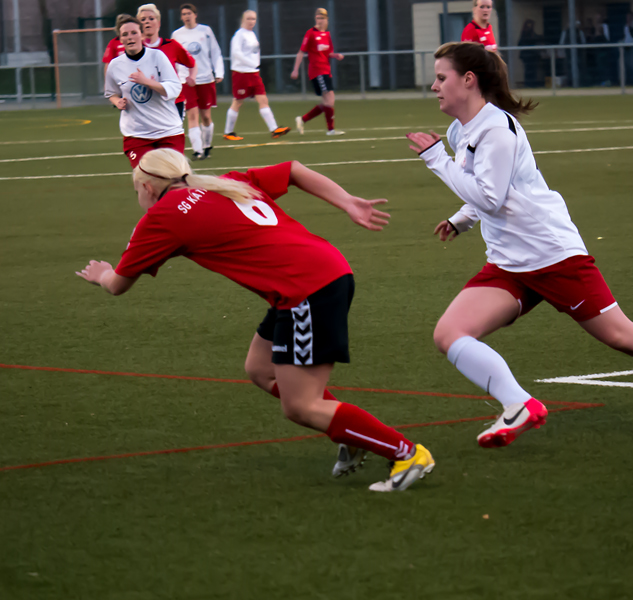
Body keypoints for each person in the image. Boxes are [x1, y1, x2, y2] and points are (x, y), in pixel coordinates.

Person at [406, 42, 633, 448]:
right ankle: (519, 404)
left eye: (441, 77)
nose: (434, 86)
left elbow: (492, 196)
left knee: (621, 335)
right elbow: (498, 190)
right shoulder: (460, 129)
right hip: (510, 262)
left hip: (552, 254)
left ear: (468, 80)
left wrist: (436, 160)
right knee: (450, 333)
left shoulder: (496, 129)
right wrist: (461, 219)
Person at [74, 148, 436, 492]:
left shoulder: (162, 217)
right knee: (261, 368)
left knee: (300, 406)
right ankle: (350, 434)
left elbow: (118, 284)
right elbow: (292, 169)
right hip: (316, 274)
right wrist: (346, 201)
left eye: (137, 188)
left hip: (306, 288)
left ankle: (406, 453)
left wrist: (101, 274)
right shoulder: (223, 181)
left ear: (148, 187)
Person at [104, 15, 184, 168]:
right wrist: (117, 101)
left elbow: (175, 88)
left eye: (134, 32)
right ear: (120, 40)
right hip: (136, 134)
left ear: (141, 35)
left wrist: (147, 82)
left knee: (173, 180)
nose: (130, 37)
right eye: (125, 34)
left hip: (168, 130)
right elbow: (110, 93)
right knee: (146, 182)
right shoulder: (115, 65)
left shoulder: (157, 56)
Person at [223, 10, 290, 141]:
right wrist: (250, 63)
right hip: (241, 73)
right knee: (237, 102)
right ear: (243, 19)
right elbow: (236, 53)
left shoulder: (252, 34)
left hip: (254, 73)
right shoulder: (239, 35)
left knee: (263, 100)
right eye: (249, 19)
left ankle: (274, 129)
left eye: (253, 19)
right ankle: (228, 132)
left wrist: (255, 65)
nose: (251, 21)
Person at [172, 3, 224, 160]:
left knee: (206, 117)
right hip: (186, 81)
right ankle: (198, 150)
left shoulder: (206, 31)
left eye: (189, 13)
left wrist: (219, 72)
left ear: (195, 15)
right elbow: (173, 58)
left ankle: (207, 145)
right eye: (184, 14)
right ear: (181, 17)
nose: (187, 16)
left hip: (205, 79)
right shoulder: (177, 35)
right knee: (192, 115)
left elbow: (215, 52)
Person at [137, 4, 197, 120]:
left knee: (173, 137)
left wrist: (192, 76)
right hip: (147, 104)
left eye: (151, 18)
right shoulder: (136, 50)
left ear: (158, 23)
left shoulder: (172, 45)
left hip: (173, 102)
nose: (147, 22)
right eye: (143, 19)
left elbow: (192, 63)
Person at [291, 8, 345, 136]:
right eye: (318, 18)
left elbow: (328, 53)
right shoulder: (310, 33)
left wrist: (336, 55)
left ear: (327, 19)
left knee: (328, 102)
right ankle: (330, 130)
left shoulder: (327, 35)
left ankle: (303, 119)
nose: (320, 21)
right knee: (329, 99)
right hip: (317, 71)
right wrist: (295, 69)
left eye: (322, 18)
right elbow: (301, 52)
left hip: (326, 70)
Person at [517, 19, 541, 88]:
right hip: (527, 55)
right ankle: (528, 84)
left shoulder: (532, 34)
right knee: (528, 69)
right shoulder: (524, 34)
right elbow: (520, 43)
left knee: (533, 69)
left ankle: (532, 83)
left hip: (533, 55)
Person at [623, 11, 633, 85]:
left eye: (629, 17)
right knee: (627, 65)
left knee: (632, 65)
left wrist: (630, 26)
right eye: (627, 17)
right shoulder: (626, 26)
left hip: (632, 47)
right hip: (626, 47)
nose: (628, 19)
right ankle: (628, 81)